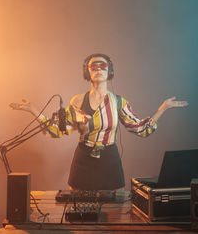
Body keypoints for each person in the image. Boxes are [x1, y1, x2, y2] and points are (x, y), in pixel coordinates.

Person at [10, 53, 188, 191]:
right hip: (83, 161)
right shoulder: (77, 101)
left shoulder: (118, 102)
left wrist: (163, 108)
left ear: (110, 71)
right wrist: (33, 109)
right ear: (87, 71)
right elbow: (58, 131)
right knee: (79, 214)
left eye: (103, 66)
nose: (98, 69)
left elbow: (141, 129)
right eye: (93, 66)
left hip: (109, 161)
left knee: (114, 214)